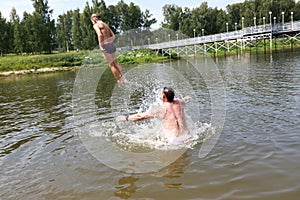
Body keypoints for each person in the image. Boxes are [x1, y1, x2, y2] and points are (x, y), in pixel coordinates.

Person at [117, 87, 191, 142]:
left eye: (161, 93)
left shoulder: (160, 109)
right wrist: (188, 97)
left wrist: (126, 118)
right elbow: (186, 99)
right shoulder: (180, 102)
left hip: (174, 141)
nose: (159, 94)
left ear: (164, 97)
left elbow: (141, 117)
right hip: (188, 137)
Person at [91, 13, 126, 86]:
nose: (92, 21)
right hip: (111, 44)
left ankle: (119, 81)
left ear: (95, 18)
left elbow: (99, 34)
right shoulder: (105, 24)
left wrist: (101, 45)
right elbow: (113, 35)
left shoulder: (96, 25)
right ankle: (124, 78)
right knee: (116, 63)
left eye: (92, 20)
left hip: (105, 46)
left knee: (111, 65)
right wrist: (109, 42)